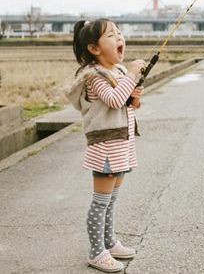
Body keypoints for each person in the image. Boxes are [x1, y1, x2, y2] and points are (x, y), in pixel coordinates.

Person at [65, 18, 146, 272]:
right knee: (101, 201)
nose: (119, 38)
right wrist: (132, 75)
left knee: (111, 199)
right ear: (94, 49)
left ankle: (109, 243)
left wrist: (135, 99)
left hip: (121, 145)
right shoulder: (94, 77)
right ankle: (96, 251)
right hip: (106, 148)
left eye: (120, 33)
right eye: (112, 35)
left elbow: (125, 104)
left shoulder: (118, 72)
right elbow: (113, 100)